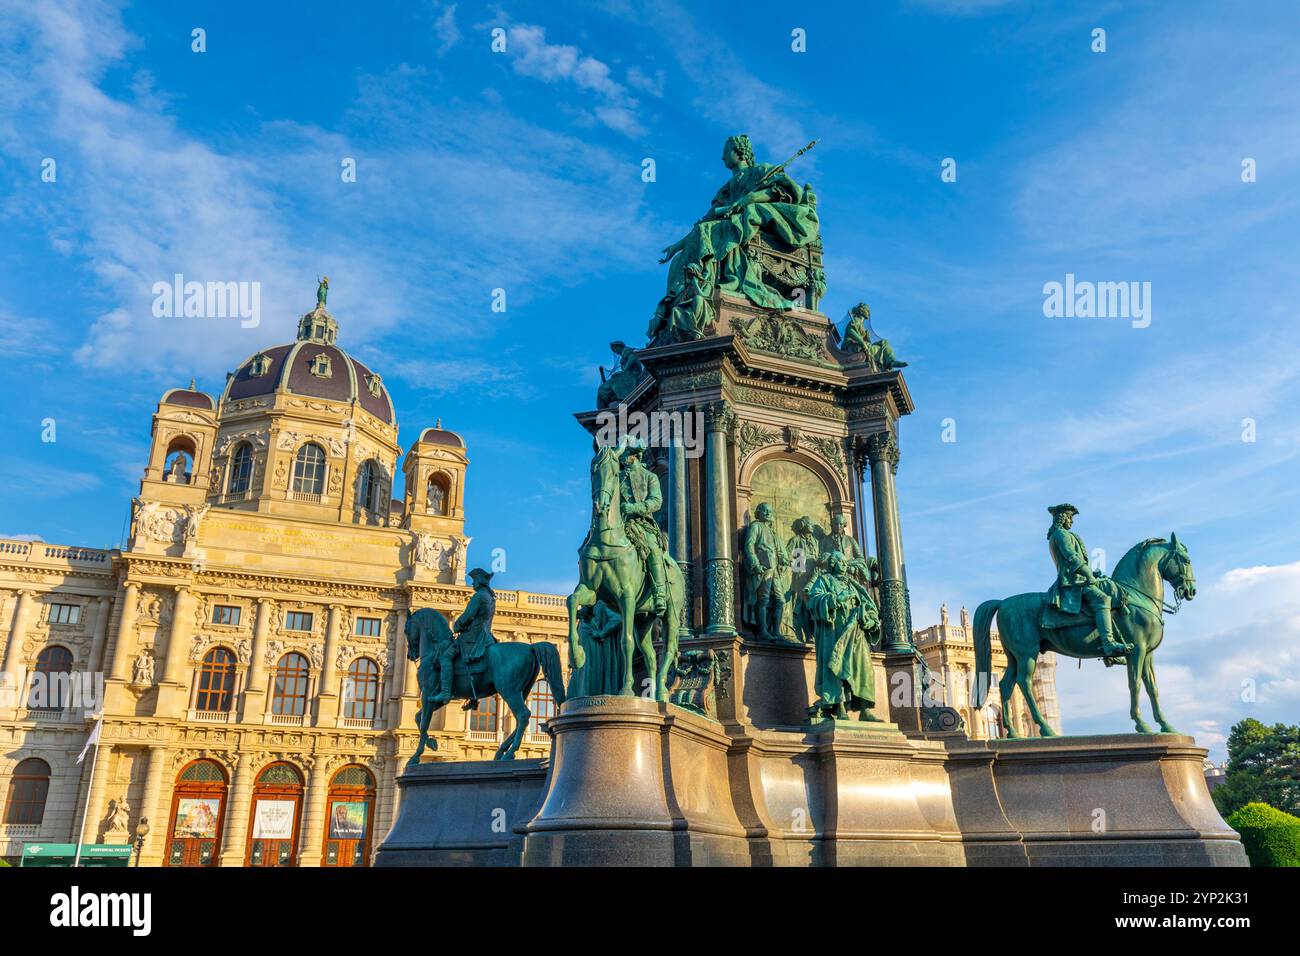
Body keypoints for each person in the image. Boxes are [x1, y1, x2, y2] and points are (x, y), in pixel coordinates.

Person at [1045, 504, 1129, 657]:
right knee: (1102, 599)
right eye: (1069, 517)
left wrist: (1092, 573)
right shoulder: (1060, 535)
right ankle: (1108, 643)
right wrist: (1088, 575)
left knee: (1109, 587)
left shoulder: (1061, 534)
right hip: (1073, 582)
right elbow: (1072, 558)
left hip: (1079, 578)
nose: (1071, 521)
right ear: (1062, 518)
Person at [618, 440, 668, 614]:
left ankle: (659, 592)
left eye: (625, 453)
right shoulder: (617, 478)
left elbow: (656, 501)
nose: (622, 456)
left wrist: (633, 508)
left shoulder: (649, 477)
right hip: (620, 523)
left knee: (653, 547)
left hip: (642, 523)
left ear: (634, 455)